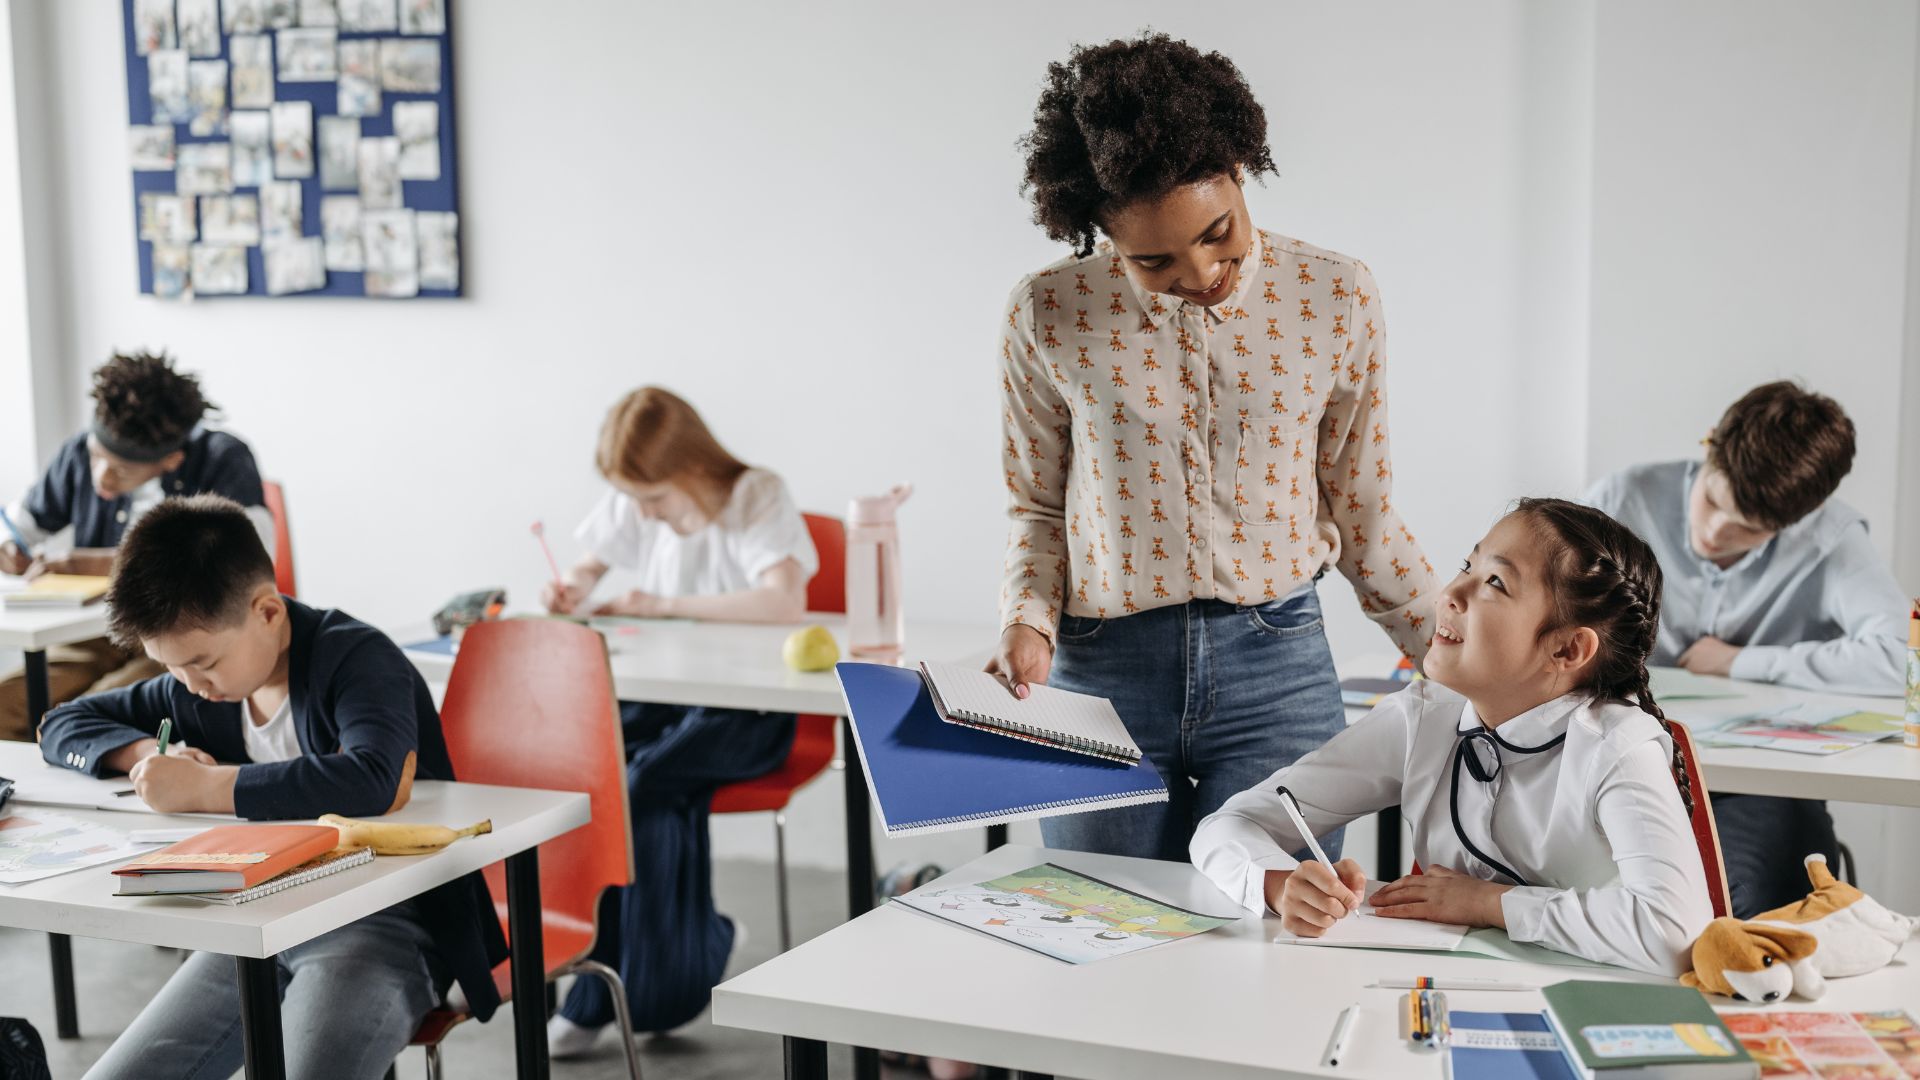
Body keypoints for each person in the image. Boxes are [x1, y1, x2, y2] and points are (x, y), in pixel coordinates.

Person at [986, 33, 1437, 861]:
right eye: (1153, 259)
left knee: (1269, 943)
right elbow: (1038, 505)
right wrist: (1027, 621)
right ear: (1100, 236)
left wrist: (1454, 654)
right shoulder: (1049, 312)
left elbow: (1360, 506)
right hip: (1100, 675)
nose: (1199, 272)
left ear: (1239, 168)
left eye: (1218, 232)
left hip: (1278, 666)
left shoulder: (1333, 296)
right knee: (1110, 932)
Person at [37, 496, 505, 1080]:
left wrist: (207, 787)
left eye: (203, 663)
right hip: (255, 924)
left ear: (267, 613)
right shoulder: (198, 688)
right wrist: (145, 754)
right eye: (171, 669)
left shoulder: (355, 657)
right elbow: (61, 724)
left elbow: (374, 777)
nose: (190, 686)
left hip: (385, 924)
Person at [1191, 499, 1714, 976]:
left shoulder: (1617, 747)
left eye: (1496, 584)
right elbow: (1228, 825)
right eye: (1469, 566)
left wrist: (1489, 904)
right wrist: (1278, 884)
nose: (1451, 594)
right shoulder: (1423, 718)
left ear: (1567, 650)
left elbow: (1674, 933)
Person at [541, 386, 816, 1057]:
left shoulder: (756, 495)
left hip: (753, 712)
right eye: (634, 500)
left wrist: (663, 603)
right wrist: (573, 585)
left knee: (646, 781)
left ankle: (611, 991)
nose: (644, 513)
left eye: (655, 499)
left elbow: (785, 600)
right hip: (666, 699)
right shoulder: (640, 498)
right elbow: (589, 562)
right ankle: (684, 953)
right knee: (592, 774)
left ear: (692, 466)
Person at [1583, 380, 1909, 916]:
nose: (1713, 533)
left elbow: (1903, 659)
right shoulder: (1622, 499)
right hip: (1614, 763)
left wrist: (1740, 661)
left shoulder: (1831, 538)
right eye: (1711, 501)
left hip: (1756, 789)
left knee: (1769, 899)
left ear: (1798, 520)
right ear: (1709, 444)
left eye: (1748, 531)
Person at [0, 351, 270, 741]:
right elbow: (19, 521)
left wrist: (85, 564)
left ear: (171, 460)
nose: (102, 478)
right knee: (9, 703)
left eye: (122, 470)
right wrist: (11, 545)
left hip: (181, 639)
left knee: (82, 719)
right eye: (96, 457)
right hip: (99, 633)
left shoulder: (223, 459)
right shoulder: (77, 453)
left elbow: (250, 561)